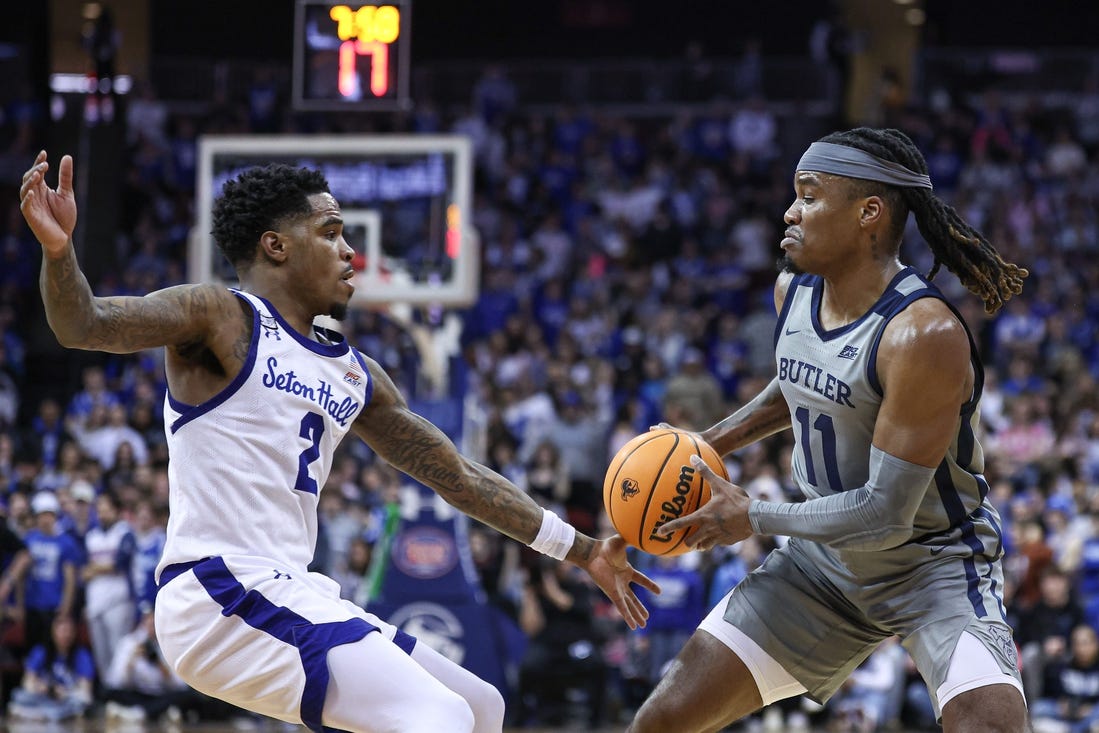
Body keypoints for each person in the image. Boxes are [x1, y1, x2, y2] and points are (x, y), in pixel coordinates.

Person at [19, 151, 658, 733]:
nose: (351, 251)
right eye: (330, 233)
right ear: (275, 246)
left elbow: (458, 477)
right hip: (218, 588)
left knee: (482, 707)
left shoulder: (354, 372)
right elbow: (85, 324)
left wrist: (581, 551)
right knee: (437, 718)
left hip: (286, 587)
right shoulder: (221, 316)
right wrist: (58, 252)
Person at [626, 127, 1030, 733]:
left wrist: (752, 517)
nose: (789, 211)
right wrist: (701, 447)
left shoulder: (922, 335)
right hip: (823, 568)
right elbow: (794, 386)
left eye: (809, 196)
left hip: (932, 567)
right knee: (661, 722)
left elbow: (884, 515)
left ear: (869, 213)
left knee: (992, 727)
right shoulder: (793, 291)